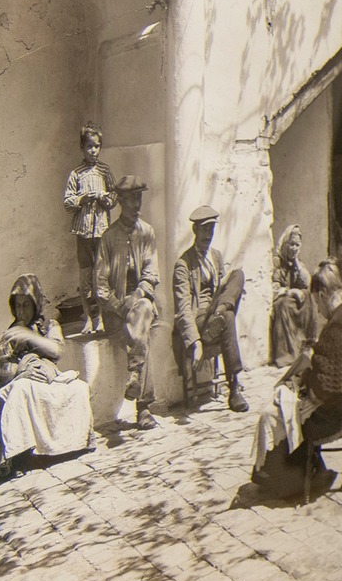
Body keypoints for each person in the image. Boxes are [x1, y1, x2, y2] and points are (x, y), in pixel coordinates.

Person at [252, 264, 342, 499]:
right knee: (284, 405)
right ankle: (310, 470)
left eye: (316, 303)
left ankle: (285, 478)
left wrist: (304, 381)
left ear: (323, 294)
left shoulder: (337, 325)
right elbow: (334, 364)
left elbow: (325, 386)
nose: (319, 311)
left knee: (275, 413)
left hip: (330, 416)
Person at [0, 274, 95, 482]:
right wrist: (22, 371)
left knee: (79, 388)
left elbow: (56, 350)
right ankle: (18, 454)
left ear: (36, 304)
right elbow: (1, 374)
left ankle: (72, 445)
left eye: (26, 305)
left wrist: (29, 336)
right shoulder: (12, 333)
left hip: (49, 381)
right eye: (17, 306)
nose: (21, 311)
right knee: (21, 390)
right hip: (26, 381)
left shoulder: (50, 326)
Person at [96, 173, 160, 430]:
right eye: (132, 199)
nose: (137, 204)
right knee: (141, 331)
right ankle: (144, 408)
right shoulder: (108, 238)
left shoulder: (147, 233)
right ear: (121, 201)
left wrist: (135, 296)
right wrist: (116, 304)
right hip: (115, 313)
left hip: (139, 303)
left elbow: (151, 274)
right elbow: (100, 284)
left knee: (142, 311)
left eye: (139, 198)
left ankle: (135, 374)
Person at [173, 204, 249, 412]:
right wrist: (195, 342)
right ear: (195, 230)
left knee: (238, 275)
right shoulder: (183, 264)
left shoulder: (216, 256)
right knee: (228, 316)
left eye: (211, 229)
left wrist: (224, 299)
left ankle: (221, 313)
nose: (208, 235)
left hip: (216, 312)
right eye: (204, 229)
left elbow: (224, 287)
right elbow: (183, 308)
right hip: (199, 320)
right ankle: (234, 389)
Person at [62, 125, 114, 335]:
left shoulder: (105, 171)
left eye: (97, 146)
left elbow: (114, 196)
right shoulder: (76, 174)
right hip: (83, 232)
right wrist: (82, 199)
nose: (93, 151)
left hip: (101, 230)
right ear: (82, 148)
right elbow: (67, 202)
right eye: (89, 147)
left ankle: (100, 317)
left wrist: (104, 199)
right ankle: (87, 317)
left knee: (100, 274)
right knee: (85, 275)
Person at [268, 224, 313, 366]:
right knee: (283, 305)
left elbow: (307, 282)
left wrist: (297, 264)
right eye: (291, 244)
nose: (294, 248)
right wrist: (289, 291)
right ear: (285, 244)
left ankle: (307, 346)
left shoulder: (297, 263)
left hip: (295, 301)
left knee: (310, 298)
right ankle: (286, 355)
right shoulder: (278, 262)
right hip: (282, 300)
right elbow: (274, 287)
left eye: (297, 245)